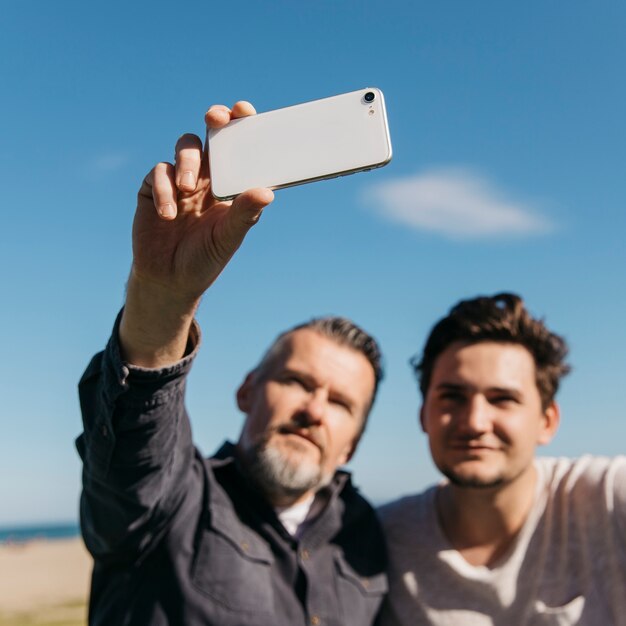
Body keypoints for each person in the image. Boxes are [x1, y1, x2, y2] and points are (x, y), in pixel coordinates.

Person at [76, 101, 387, 626]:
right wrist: (162, 298)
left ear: (354, 442)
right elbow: (135, 454)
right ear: (246, 390)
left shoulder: (370, 540)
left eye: (341, 404)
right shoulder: (174, 502)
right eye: (295, 381)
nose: (314, 409)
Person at [378, 293, 626, 625]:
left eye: (502, 399)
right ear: (424, 416)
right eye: (452, 397)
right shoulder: (381, 540)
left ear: (547, 421)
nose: (475, 422)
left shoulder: (607, 498)